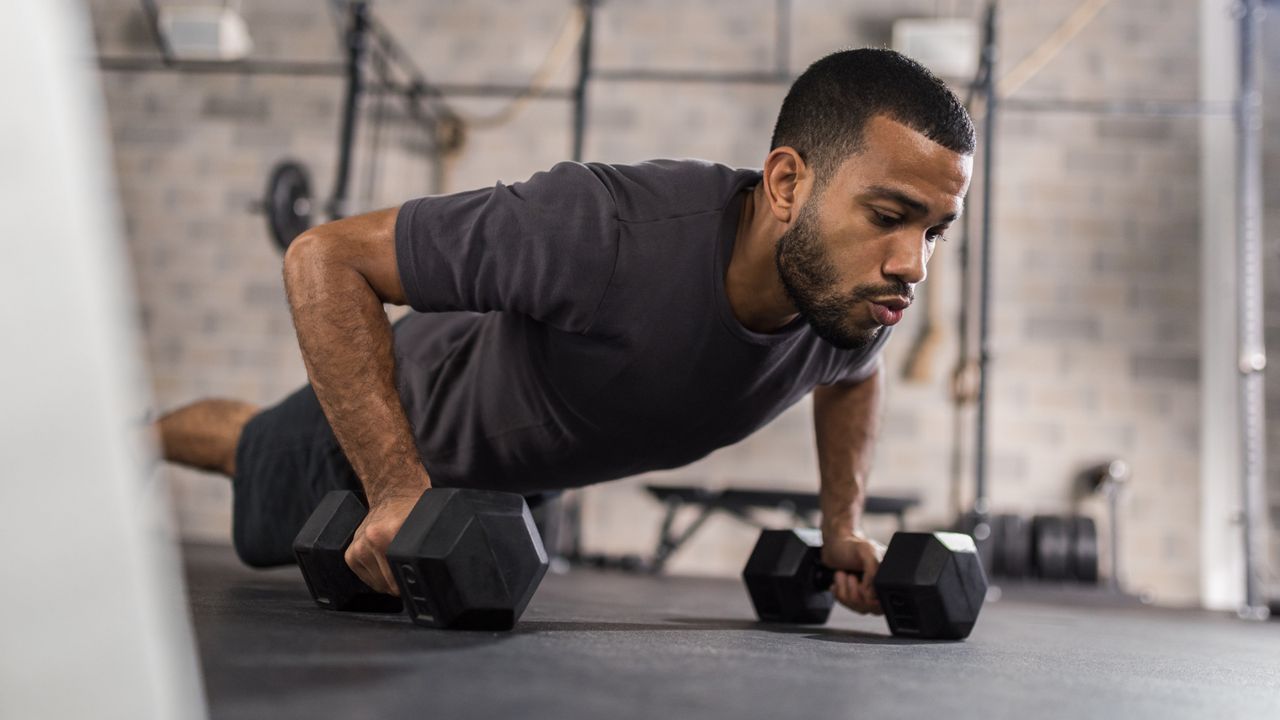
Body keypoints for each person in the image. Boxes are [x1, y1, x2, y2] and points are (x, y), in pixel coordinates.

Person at [156, 47, 974, 618]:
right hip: (407, 431)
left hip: (518, 488)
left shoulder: (853, 302)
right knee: (251, 450)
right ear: (789, 180)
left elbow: (853, 378)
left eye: (936, 230)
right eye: (889, 216)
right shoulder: (603, 229)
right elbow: (323, 257)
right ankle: (132, 438)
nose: (914, 263)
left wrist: (842, 525)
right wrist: (398, 487)